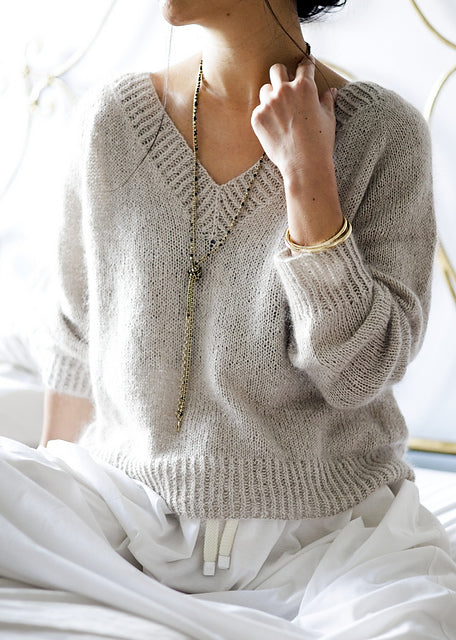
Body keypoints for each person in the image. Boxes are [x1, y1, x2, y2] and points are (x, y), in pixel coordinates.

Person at [1, 0, 456, 637]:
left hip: (324, 539)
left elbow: (359, 374)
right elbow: (76, 335)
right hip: (131, 514)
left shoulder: (383, 136)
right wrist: (61, 526)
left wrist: (308, 178)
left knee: (412, 624)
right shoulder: (112, 121)